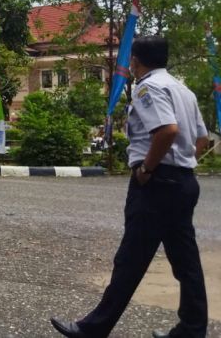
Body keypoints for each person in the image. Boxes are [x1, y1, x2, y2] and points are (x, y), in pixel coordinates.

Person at [51, 36, 209, 338]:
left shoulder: (148, 87)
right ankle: (192, 329)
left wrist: (148, 168)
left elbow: (166, 130)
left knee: (130, 259)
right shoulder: (183, 90)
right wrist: (183, 163)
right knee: (186, 262)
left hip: (157, 184)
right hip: (184, 182)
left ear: (135, 60)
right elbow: (200, 139)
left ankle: (93, 329)